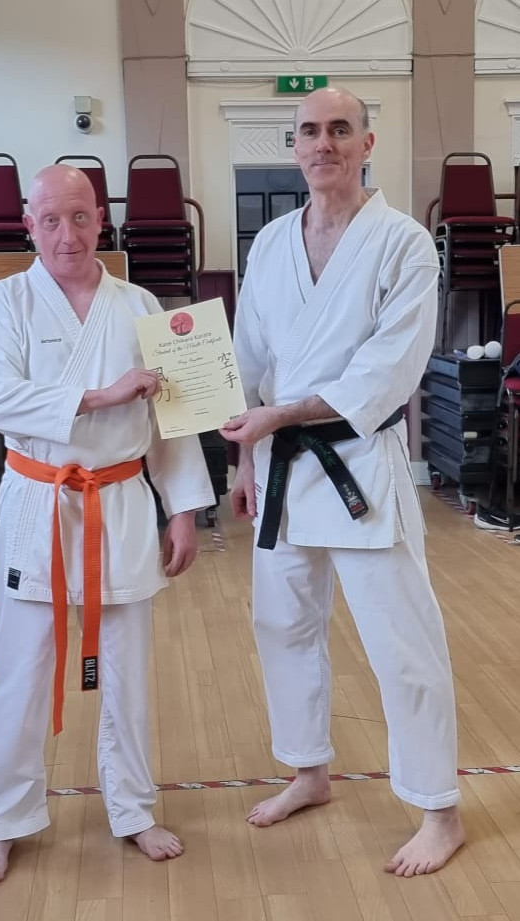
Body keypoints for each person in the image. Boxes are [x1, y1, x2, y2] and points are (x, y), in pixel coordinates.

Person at [220, 87, 465, 878]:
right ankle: (309, 770)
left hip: (357, 462)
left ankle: (440, 809)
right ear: (292, 146)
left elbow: (387, 371)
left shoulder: (403, 243)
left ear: (366, 144)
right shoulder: (270, 244)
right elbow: (249, 359)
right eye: (308, 132)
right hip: (279, 466)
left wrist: (281, 417)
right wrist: (245, 458)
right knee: (283, 624)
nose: (322, 143)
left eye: (338, 130)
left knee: (402, 640)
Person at [0, 164, 215, 883]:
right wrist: (102, 395)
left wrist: (184, 511)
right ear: (29, 225)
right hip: (37, 503)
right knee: (21, 672)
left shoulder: (140, 305)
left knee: (127, 674)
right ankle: (2, 820)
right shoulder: (4, 302)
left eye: (79, 217)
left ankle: (133, 809)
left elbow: (172, 419)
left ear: (101, 219)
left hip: (121, 502)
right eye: (50, 220)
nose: (66, 234)